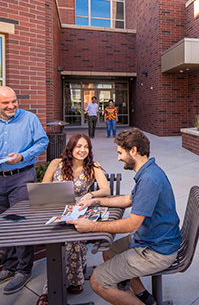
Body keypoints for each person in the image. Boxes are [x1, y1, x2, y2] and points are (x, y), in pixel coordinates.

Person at [70, 128, 181, 305]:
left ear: (133, 151)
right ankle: (144, 297)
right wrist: (95, 201)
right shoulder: (148, 171)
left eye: (120, 153)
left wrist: (92, 226)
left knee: (97, 281)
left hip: (156, 250)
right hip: (154, 239)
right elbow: (127, 199)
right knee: (109, 252)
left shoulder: (149, 180)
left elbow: (132, 224)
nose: (118, 158)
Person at [0, 86, 49, 294]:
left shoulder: (29, 119)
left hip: (21, 176)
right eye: (6, 103)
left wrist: (23, 155)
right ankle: (9, 266)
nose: (12, 106)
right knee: (1, 225)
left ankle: (24, 269)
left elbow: (43, 142)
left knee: (20, 223)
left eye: (14, 101)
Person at [35, 134, 111, 305]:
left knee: (71, 239)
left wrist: (91, 193)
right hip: (55, 211)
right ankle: (73, 280)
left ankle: (51, 289)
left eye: (86, 147)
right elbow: (42, 187)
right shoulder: (56, 164)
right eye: (78, 146)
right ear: (71, 148)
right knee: (61, 240)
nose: (82, 150)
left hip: (78, 212)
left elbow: (105, 189)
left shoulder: (93, 166)